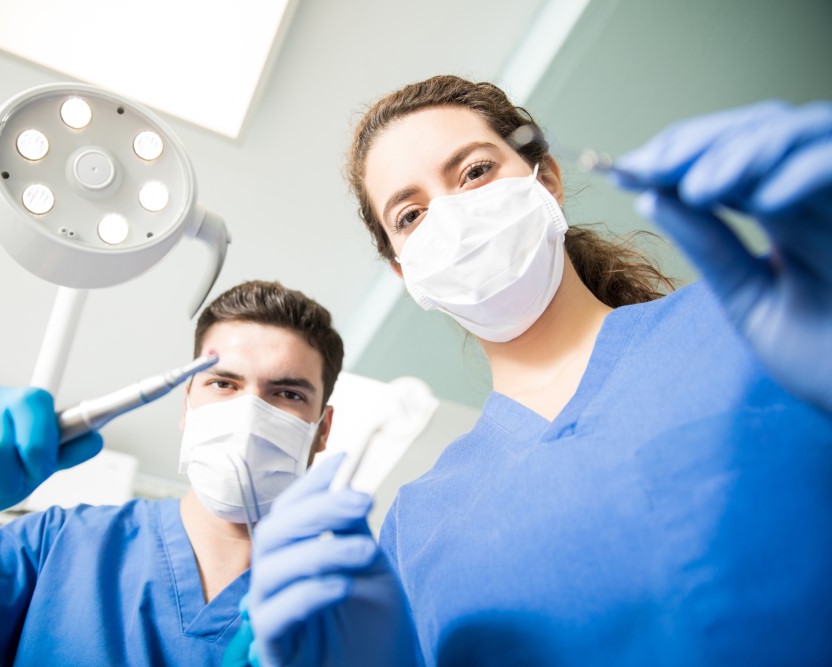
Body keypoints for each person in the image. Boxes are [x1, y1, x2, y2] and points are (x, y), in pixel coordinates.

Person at [244, 76, 832, 666]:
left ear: (545, 179)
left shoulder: (756, 325)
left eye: (474, 172)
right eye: (412, 214)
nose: (451, 217)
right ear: (406, 274)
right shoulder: (413, 533)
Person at [0, 280, 343, 666]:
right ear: (187, 404)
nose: (249, 414)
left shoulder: (345, 610)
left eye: (288, 394)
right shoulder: (56, 547)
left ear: (322, 430)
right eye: (224, 384)